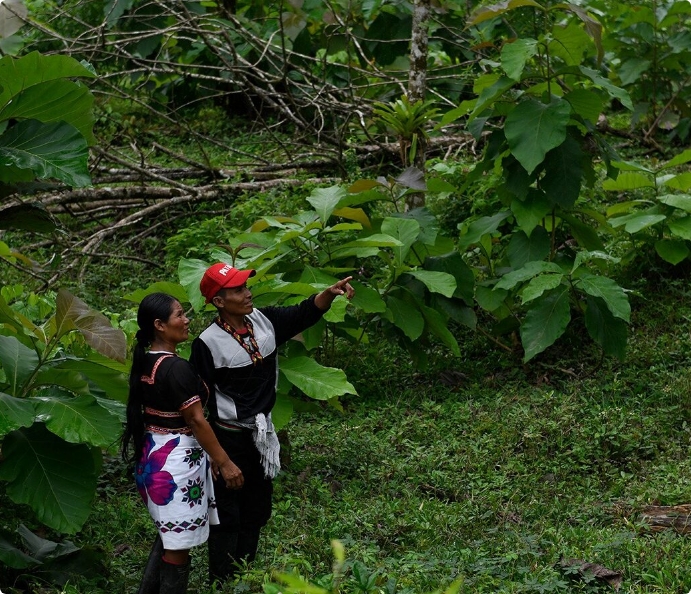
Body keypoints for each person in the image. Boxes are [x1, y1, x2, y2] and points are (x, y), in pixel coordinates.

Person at [190, 262, 355, 583]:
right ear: (219, 302)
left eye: (245, 286)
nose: (247, 293)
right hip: (229, 438)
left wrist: (329, 293)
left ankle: (244, 573)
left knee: (257, 508)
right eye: (237, 290)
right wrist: (217, 458)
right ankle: (221, 580)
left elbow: (303, 313)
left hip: (262, 437)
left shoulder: (263, 321)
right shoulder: (207, 344)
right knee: (227, 513)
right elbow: (197, 405)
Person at [121, 292, 244, 594]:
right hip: (175, 466)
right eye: (180, 315)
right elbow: (196, 420)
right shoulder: (175, 368)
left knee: (170, 537)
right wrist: (225, 461)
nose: (187, 320)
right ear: (160, 325)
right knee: (177, 547)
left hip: (156, 456)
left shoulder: (149, 361)